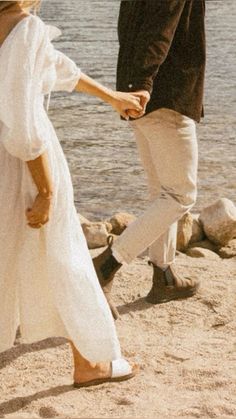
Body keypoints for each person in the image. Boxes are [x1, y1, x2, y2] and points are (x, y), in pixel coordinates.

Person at [0, 0, 142, 387]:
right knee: (66, 254)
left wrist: (112, 97)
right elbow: (23, 124)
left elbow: (56, 67)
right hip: (24, 165)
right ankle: (91, 363)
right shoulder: (24, 27)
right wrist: (45, 189)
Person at [93, 0, 206, 319]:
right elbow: (161, 28)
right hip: (164, 95)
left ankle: (164, 275)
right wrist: (142, 84)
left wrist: (130, 88)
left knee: (162, 192)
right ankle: (107, 265)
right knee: (181, 195)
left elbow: (130, 28)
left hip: (138, 96)